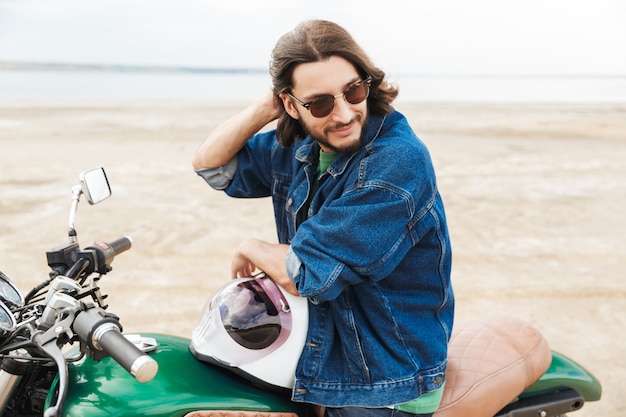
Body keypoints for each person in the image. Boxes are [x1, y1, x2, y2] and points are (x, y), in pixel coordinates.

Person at [192, 19, 454, 417]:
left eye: (354, 90)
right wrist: (267, 107)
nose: (345, 113)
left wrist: (252, 247)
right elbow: (212, 167)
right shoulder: (303, 144)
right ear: (291, 105)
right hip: (322, 350)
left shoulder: (395, 164)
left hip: (384, 380)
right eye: (320, 103)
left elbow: (307, 271)